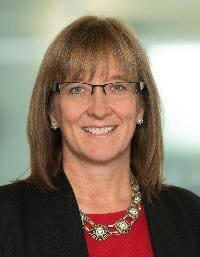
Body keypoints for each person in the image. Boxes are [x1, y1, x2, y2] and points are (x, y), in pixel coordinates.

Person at [0, 15, 199, 257]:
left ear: (141, 107)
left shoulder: (189, 214)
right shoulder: (7, 217)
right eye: (78, 89)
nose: (99, 109)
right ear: (51, 111)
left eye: (117, 87)